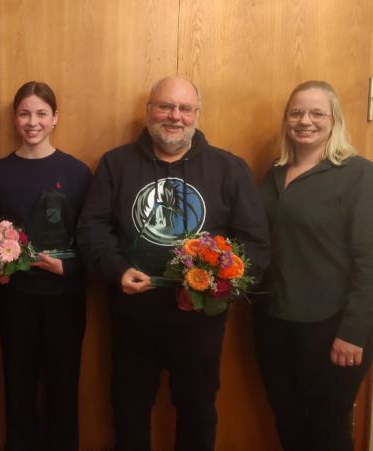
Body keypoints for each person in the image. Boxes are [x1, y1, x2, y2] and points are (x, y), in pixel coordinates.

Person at [76, 76, 270, 451]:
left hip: (200, 320)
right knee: (129, 409)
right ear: (149, 111)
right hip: (134, 315)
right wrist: (117, 270)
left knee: (198, 411)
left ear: (197, 114)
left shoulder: (229, 168)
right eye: (165, 106)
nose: (174, 116)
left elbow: (256, 244)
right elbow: (91, 230)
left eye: (184, 108)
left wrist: (217, 286)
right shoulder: (116, 164)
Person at [255, 80, 373, 451]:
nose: (305, 121)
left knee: (327, 429)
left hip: (332, 327)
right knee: (288, 421)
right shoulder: (276, 174)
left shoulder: (361, 175)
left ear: (335, 121)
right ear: (286, 120)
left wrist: (353, 331)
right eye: (296, 112)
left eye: (318, 113)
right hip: (276, 322)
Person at [0, 81, 91, 451]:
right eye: (25, 114)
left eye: (41, 114)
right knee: (18, 386)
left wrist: (69, 269)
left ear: (55, 118)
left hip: (65, 298)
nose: (33, 122)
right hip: (16, 300)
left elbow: (91, 239)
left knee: (64, 387)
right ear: (15, 119)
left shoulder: (77, 173)